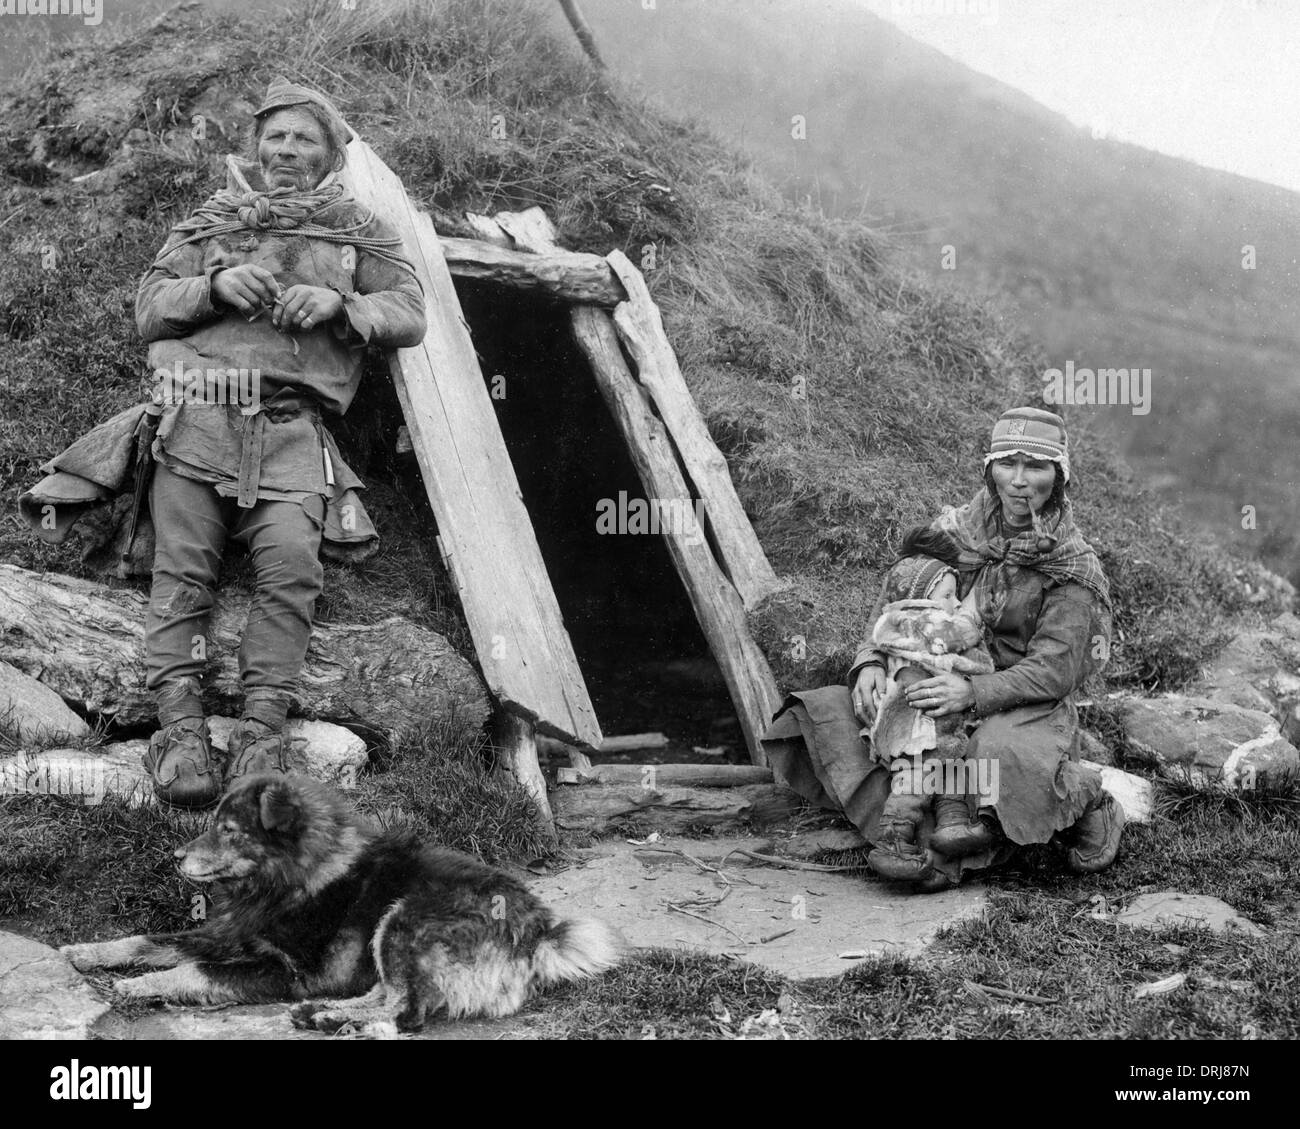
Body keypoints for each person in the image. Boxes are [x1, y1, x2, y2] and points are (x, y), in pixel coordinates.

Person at [132, 78, 426, 806]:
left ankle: (263, 730)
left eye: (304, 139)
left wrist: (341, 305)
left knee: (292, 571)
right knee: (182, 575)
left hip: (294, 432)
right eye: (276, 137)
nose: (287, 150)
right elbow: (148, 307)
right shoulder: (211, 221)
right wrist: (214, 287)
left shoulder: (359, 229)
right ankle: (178, 731)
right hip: (197, 420)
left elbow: (411, 311)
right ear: (256, 146)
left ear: (328, 155)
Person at [848, 406, 1124, 887]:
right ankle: (928, 825)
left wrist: (971, 693)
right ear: (989, 468)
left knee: (989, 753)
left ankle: (1090, 801)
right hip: (937, 675)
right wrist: (871, 662)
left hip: (1021, 700)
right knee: (852, 715)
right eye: (1007, 464)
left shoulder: (1072, 568)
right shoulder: (957, 530)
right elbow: (901, 597)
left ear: (1058, 476)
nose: (1018, 481)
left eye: (1035, 467)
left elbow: (1053, 672)